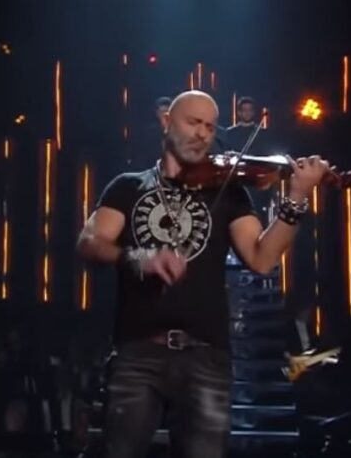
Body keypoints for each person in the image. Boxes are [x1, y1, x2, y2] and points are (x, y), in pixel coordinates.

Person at [76, 90, 329, 458]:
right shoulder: (128, 186)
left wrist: (297, 198)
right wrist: (139, 258)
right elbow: (89, 242)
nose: (202, 134)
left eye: (210, 127)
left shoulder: (229, 191)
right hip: (137, 352)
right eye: (193, 122)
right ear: (166, 122)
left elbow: (262, 259)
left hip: (207, 357)